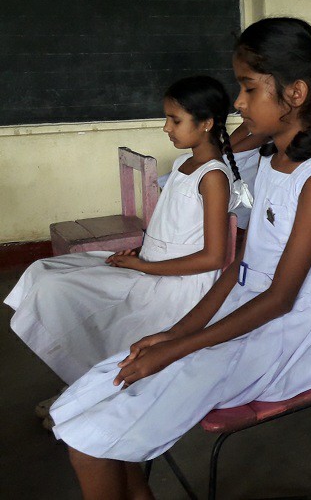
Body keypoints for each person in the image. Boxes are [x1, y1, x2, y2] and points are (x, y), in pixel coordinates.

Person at [49, 17, 311, 500]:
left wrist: (179, 348)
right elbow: (239, 268)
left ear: (295, 93)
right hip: (252, 311)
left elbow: (279, 297)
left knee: (95, 439)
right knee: (102, 396)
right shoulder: (274, 161)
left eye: (249, 88)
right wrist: (177, 332)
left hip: (294, 336)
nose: (238, 102)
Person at [6, 75, 239, 388]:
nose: (166, 128)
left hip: (177, 287)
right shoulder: (185, 162)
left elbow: (212, 258)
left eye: (175, 119)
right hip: (152, 269)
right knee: (45, 272)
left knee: (65, 294)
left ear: (206, 123)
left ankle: (90, 388)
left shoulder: (213, 177)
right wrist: (142, 254)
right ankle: (81, 382)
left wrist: (146, 266)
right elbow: (174, 229)